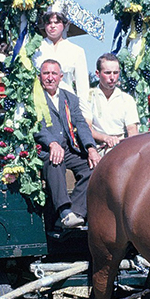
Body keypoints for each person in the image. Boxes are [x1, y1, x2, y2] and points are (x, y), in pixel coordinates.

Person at [34, 60, 100, 229]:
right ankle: (63, 211)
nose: (50, 78)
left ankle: (76, 213)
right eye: (46, 73)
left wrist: (91, 148)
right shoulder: (34, 97)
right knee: (54, 162)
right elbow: (36, 127)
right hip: (45, 149)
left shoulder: (69, 98)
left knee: (92, 167)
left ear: (60, 77)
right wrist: (51, 143)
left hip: (69, 148)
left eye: (53, 74)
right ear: (40, 76)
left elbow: (82, 125)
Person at [33, 11, 92, 120]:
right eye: (49, 23)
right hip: (41, 103)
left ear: (65, 25)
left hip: (67, 103)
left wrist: (86, 116)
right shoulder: (35, 49)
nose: (52, 26)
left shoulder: (76, 51)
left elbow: (82, 87)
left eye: (56, 22)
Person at [87, 53, 139, 155]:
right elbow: (87, 127)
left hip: (120, 147)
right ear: (97, 74)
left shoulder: (127, 99)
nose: (112, 77)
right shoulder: (88, 97)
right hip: (96, 148)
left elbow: (132, 131)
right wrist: (105, 138)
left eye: (115, 73)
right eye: (107, 73)